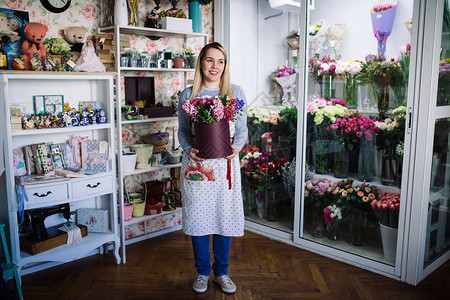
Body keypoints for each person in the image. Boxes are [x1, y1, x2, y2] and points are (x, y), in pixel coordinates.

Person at [178, 42, 248, 294]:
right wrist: (189, 150)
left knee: (223, 218)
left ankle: (222, 272)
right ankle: (202, 272)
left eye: (220, 61)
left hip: (225, 167)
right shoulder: (189, 95)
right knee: (198, 218)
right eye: (209, 60)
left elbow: (242, 129)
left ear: (225, 65)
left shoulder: (234, 93)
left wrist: (236, 147)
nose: (215, 66)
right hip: (198, 166)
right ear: (201, 63)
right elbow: (183, 132)